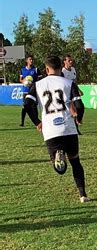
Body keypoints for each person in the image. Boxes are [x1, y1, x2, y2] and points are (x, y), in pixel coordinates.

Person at [23, 55, 89, 203]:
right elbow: (79, 105)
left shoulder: (38, 85)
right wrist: (78, 118)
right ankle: (83, 195)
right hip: (68, 128)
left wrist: (37, 122)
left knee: (60, 169)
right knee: (75, 162)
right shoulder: (69, 83)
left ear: (47, 69)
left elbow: (27, 105)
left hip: (50, 130)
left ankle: (58, 156)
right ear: (61, 67)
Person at [62, 54, 82, 135]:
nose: (71, 62)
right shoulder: (62, 72)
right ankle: (71, 129)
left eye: (71, 60)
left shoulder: (73, 69)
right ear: (64, 61)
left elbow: (74, 82)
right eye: (69, 60)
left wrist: (79, 90)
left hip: (74, 92)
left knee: (80, 107)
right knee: (70, 112)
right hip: (66, 94)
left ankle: (77, 124)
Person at [19, 55, 41, 126]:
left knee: (34, 106)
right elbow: (20, 80)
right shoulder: (22, 70)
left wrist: (33, 84)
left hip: (33, 91)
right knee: (25, 106)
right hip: (25, 91)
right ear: (27, 61)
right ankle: (22, 122)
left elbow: (39, 79)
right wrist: (25, 82)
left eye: (32, 59)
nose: (31, 61)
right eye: (30, 59)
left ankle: (37, 122)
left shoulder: (36, 69)